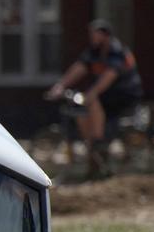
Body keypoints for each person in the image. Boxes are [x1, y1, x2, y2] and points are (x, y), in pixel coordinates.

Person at [46, 19, 143, 177]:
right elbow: (79, 68)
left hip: (125, 93)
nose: (92, 37)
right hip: (107, 94)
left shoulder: (117, 51)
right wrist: (60, 86)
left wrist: (91, 94)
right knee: (79, 106)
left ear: (105, 35)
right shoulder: (94, 51)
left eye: (96, 34)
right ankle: (91, 145)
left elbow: (108, 77)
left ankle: (97, 140)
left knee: (92, 100)